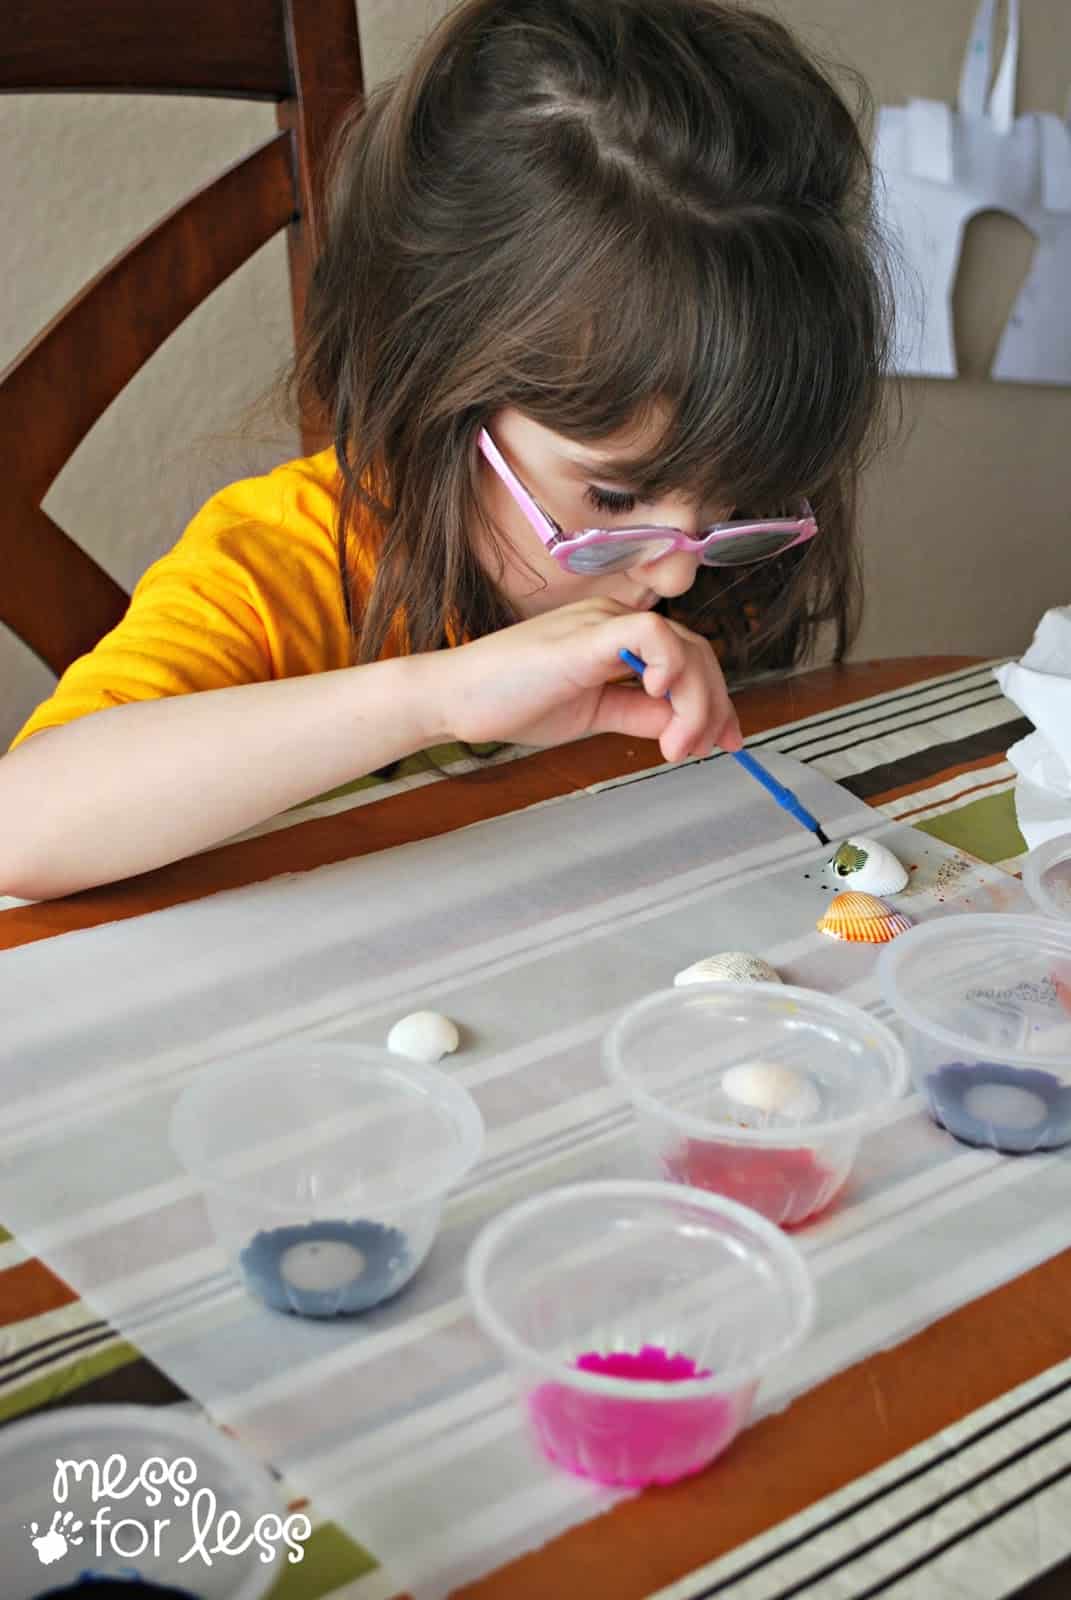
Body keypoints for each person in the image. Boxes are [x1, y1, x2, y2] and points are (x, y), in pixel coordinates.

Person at [0, 0, 890, 901]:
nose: (677, 579)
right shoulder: (289, 568)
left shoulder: (708, 562)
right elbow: (20, 829)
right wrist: (434, 698)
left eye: (737, 504)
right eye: (613, 502)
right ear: (434, 394)